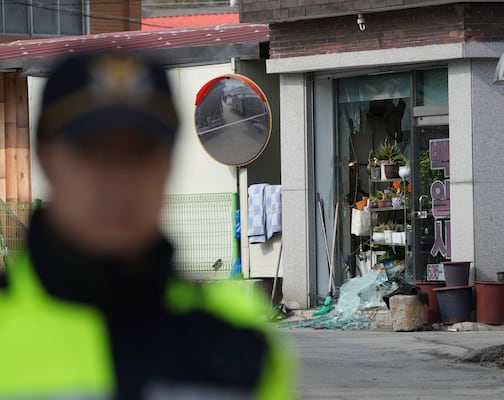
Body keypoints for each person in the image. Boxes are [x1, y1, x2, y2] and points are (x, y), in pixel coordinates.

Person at [0, 52, 294, 399]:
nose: (120, 179)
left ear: (168, 165)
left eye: (142, 153)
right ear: (47, 158)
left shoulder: (240, 339)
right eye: (95, 151)